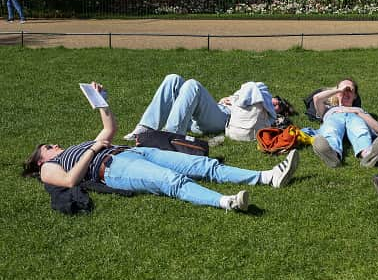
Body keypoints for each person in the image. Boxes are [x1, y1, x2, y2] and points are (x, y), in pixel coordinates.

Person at [22, 82, 300, 212]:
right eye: (48, 146)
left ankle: (267, 177)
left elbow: (109, 130)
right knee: (172, 181)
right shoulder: (49, 168)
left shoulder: (73, 149)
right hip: (114, 167)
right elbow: (70, 180)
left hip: (132, 152)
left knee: (203, 165)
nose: (55, 145)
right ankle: (225, 202)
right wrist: (93, 150)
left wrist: (102, 101)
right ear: (39, 160)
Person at [124, 74, 295, 140]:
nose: (276, 103)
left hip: (222, 119)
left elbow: (245, 101)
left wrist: (232, 102)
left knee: (193, 85)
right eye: (277, 100)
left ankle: (171, 137)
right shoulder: (256, 95)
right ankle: (145, 128)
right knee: (173, 79)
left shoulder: (264, 107)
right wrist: (227, 99)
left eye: (279, 106)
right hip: (211, 111)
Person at [311, 78, 378, 168]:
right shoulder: (328, 109)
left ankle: (368, 154)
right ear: (336, 93)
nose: (345, 92)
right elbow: (316, 98)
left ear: (355, 96)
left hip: (354, 118)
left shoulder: (359, 110)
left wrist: (357, 112)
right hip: (334, 118)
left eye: (350, 90)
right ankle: (332, 154)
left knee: (360, 129)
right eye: (343, 90)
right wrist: (339, 90)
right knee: (331, 129)